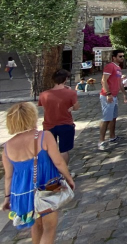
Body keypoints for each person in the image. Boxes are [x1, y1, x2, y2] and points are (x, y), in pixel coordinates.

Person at [2, 102, 75, 243]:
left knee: (36, 226)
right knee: (49, 227)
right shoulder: (44, 136)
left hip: (22, 193)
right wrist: (69, 178)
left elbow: (8, 176)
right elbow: (59, 162)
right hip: (45, 187)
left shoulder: (7, 147)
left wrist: (7, 198)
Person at [37, 70, 79, 164]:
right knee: (64, 150)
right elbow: (76, 107)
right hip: (66, 124)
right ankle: (64, 173)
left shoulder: (43, 94)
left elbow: (44, 106)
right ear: (65, 80)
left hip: (49, 125)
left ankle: (52, 172)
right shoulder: (70, 93)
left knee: (51, 150)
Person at [98, 49, 127, 151]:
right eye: (120, 56)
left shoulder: (118, 68)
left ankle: (112, 136)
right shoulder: (110, 66)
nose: (122, 58)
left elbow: (120, 83)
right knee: (106, 118)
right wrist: (108, 93)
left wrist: (124, 94)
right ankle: (101, 141)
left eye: (123, 56)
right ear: (114, 57)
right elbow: (104, 80)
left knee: (113, 117)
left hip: (114, 96)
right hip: (108, 95)